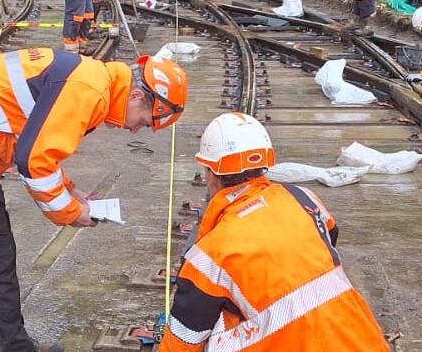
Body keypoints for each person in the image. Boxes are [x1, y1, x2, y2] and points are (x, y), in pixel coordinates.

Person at [0, 48, 188, 352]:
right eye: (143, 122)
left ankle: (11, 343)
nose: (133, 130)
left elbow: (39, 139)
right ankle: (12, 348)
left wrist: (69, 189)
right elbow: (33, 162)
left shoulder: (94, 80)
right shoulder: (89, 93)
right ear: (135, 95)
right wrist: (71, 212)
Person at [159, 112, 390, 352]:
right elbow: (329, 235)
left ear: (210, 173)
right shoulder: (303, 197)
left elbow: (183, 340)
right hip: (366, 343)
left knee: (218, 327)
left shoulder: (211, 253)